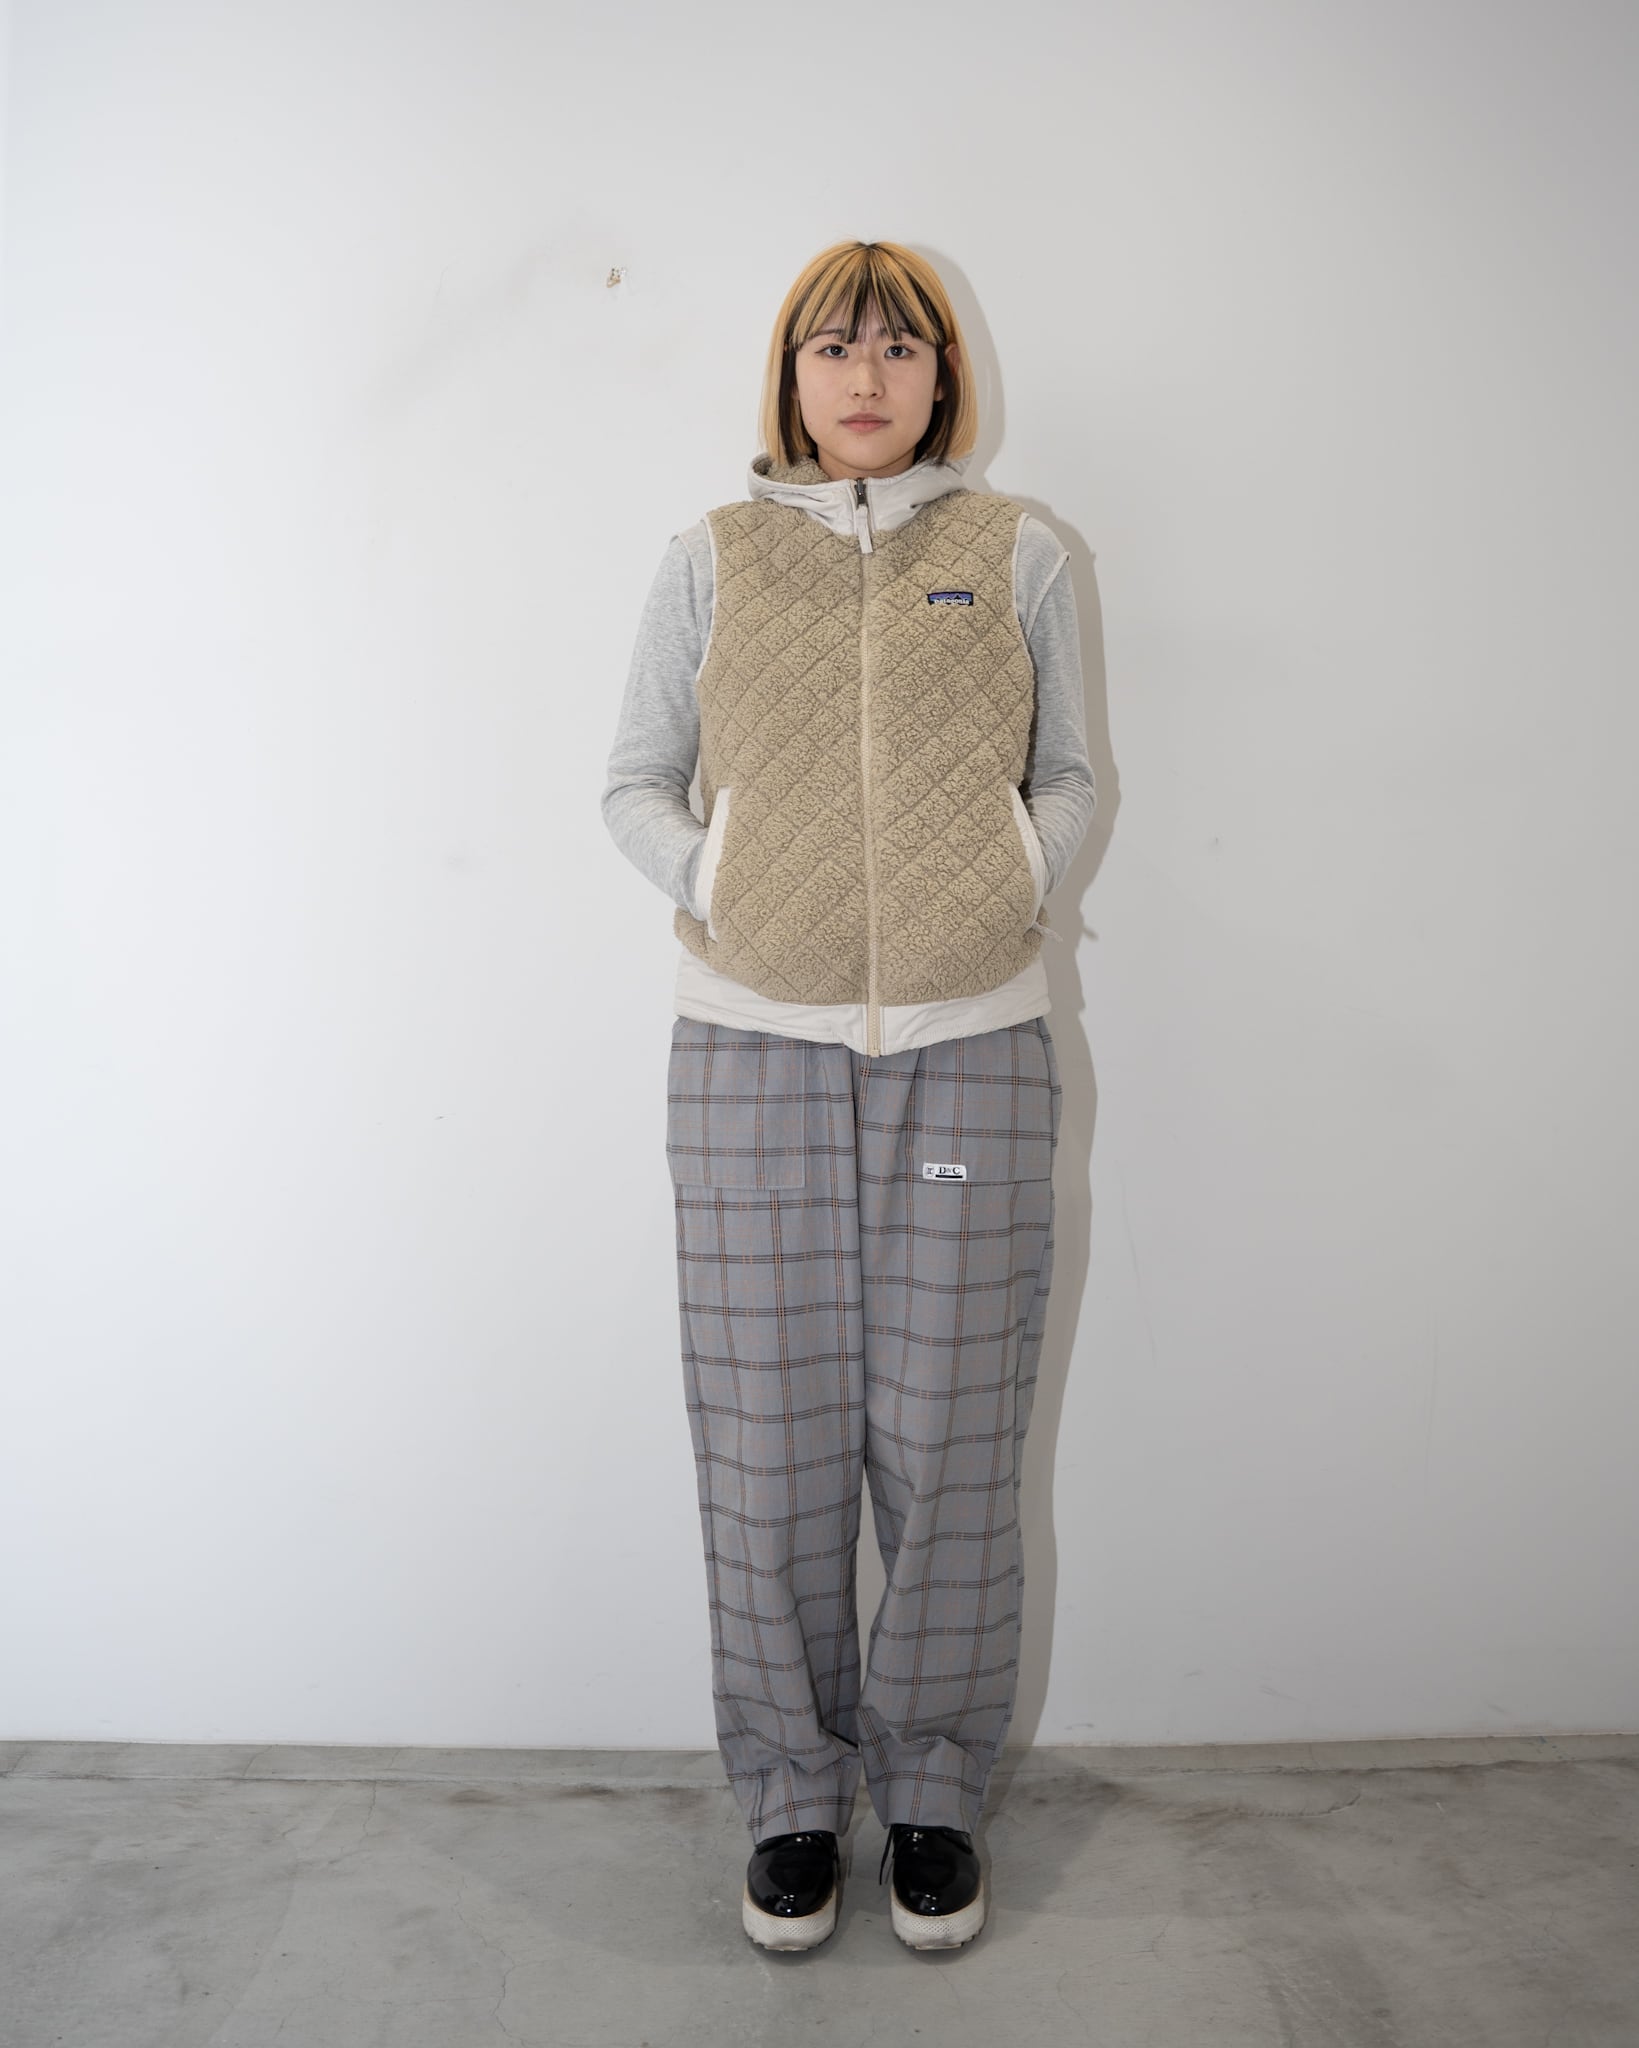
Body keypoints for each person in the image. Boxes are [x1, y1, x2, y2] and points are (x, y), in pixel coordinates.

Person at [601, 239, 1097, 1953]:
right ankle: (793, 1801)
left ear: (944, 372)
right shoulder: (710, 559)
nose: (866, 376)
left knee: (952, 1442)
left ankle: (936, 1795)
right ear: (791, 375)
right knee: (768, 1449)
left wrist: (1012, 871)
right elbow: (634, 778)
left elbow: (1070, 771)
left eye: (899, 346)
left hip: (972, 1050)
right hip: (750, 1050)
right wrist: (718, 876)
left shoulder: (1019, 553)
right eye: (833, 346)